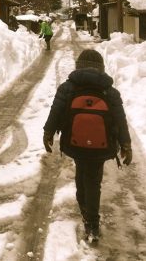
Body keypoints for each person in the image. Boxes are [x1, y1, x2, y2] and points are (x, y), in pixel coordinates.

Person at [43, 49, 131, 243]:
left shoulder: (68, 88)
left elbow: (56, 111)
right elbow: (120, 119)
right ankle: (92, 221)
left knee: (82, 172)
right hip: (101, 146)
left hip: (76, 143)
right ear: (101, 68)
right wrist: (126, 144)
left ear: (78, 66)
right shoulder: (110, 91)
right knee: (93, 179)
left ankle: (86, 211)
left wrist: (48, 133)